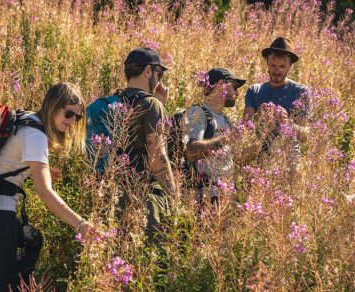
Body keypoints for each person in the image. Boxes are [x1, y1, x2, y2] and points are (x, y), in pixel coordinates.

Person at [0, 83, 93, 292]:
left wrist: (36, 169)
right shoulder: (36, 135)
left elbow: (7, 160)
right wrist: (80, 224)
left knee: (32, 241)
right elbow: (45, 192)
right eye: (68, 114)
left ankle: (19, 287)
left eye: (77, 117)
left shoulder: (27, 121)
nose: (71, 122)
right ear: (53, 106)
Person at [117, 47, 176, 243]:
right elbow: (156, 155)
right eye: (159, 74)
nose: (159, 81)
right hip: (144, 196)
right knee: (150, 257)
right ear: (148, 71)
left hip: (113, 195)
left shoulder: (114, 101)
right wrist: (173, 195)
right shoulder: (151, 105)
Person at [183, 68, 248, 206]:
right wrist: (226, 139)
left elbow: (237, 159)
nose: (237, 92)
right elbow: (190, 151)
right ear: (220, 85)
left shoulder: (226, 120)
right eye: (234, 87)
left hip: (225, 196)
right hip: (207, 197)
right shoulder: (198, 112)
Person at [243, 37, 310, 158]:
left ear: (290, 66)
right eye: (273, 65)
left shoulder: (301, 92)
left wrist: (287, 122)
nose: (277, 71)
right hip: (258, 155)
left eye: (282, 66)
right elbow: (245, 129)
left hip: (289, 157)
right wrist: (258, 116)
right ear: (267, 63)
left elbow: (305, 136)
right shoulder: (254, 90)